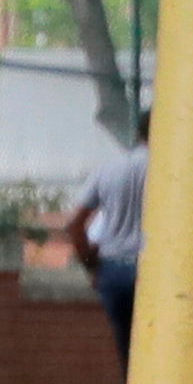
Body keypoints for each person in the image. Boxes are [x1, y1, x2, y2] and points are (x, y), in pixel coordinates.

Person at [58, 133, 148, 360]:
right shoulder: (174, 170)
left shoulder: (109, 168)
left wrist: (90, 263)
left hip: (113, 269)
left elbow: (75, 223)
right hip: (155, 269)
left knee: (128, 348)